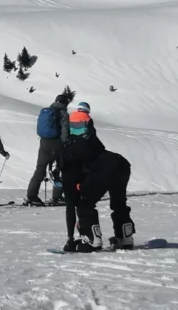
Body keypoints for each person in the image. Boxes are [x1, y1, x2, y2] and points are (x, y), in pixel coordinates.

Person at [60, 102, 136, 252]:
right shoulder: (91, 140)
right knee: (119, 203)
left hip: (103, 170)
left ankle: (92, 240)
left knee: (85, 204)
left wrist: (70, 239)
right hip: (121, 164)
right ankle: (125, 237)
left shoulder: (68, 157)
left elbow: (71, 205)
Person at [24, 94, 70, 206]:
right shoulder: (63, 113)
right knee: (59, 169)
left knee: (40, 169)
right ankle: (57, 196)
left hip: (43, 143)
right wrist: (65, 144)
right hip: (56, 143)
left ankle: (31, 195)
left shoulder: (47, 111)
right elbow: (65, 130)